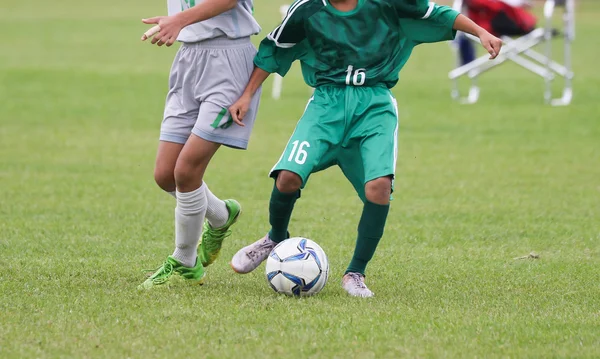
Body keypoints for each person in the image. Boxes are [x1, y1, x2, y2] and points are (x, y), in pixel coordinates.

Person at [228, 0, 502, 297]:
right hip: (326, 106)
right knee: (288, 177)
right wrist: (246, 96)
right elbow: (274, 49)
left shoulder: (388, 4)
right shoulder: (306, 10)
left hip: (374, 107)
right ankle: (275, 238)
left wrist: (480, 32)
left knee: (379, 187)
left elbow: (438, 15)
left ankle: (355, 273)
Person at [138, 0, 262, 289]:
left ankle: (185, 260)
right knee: (165, 174)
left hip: (229, 59)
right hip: (189, 58)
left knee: (186, 171)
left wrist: (180, 19)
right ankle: (221, 214)